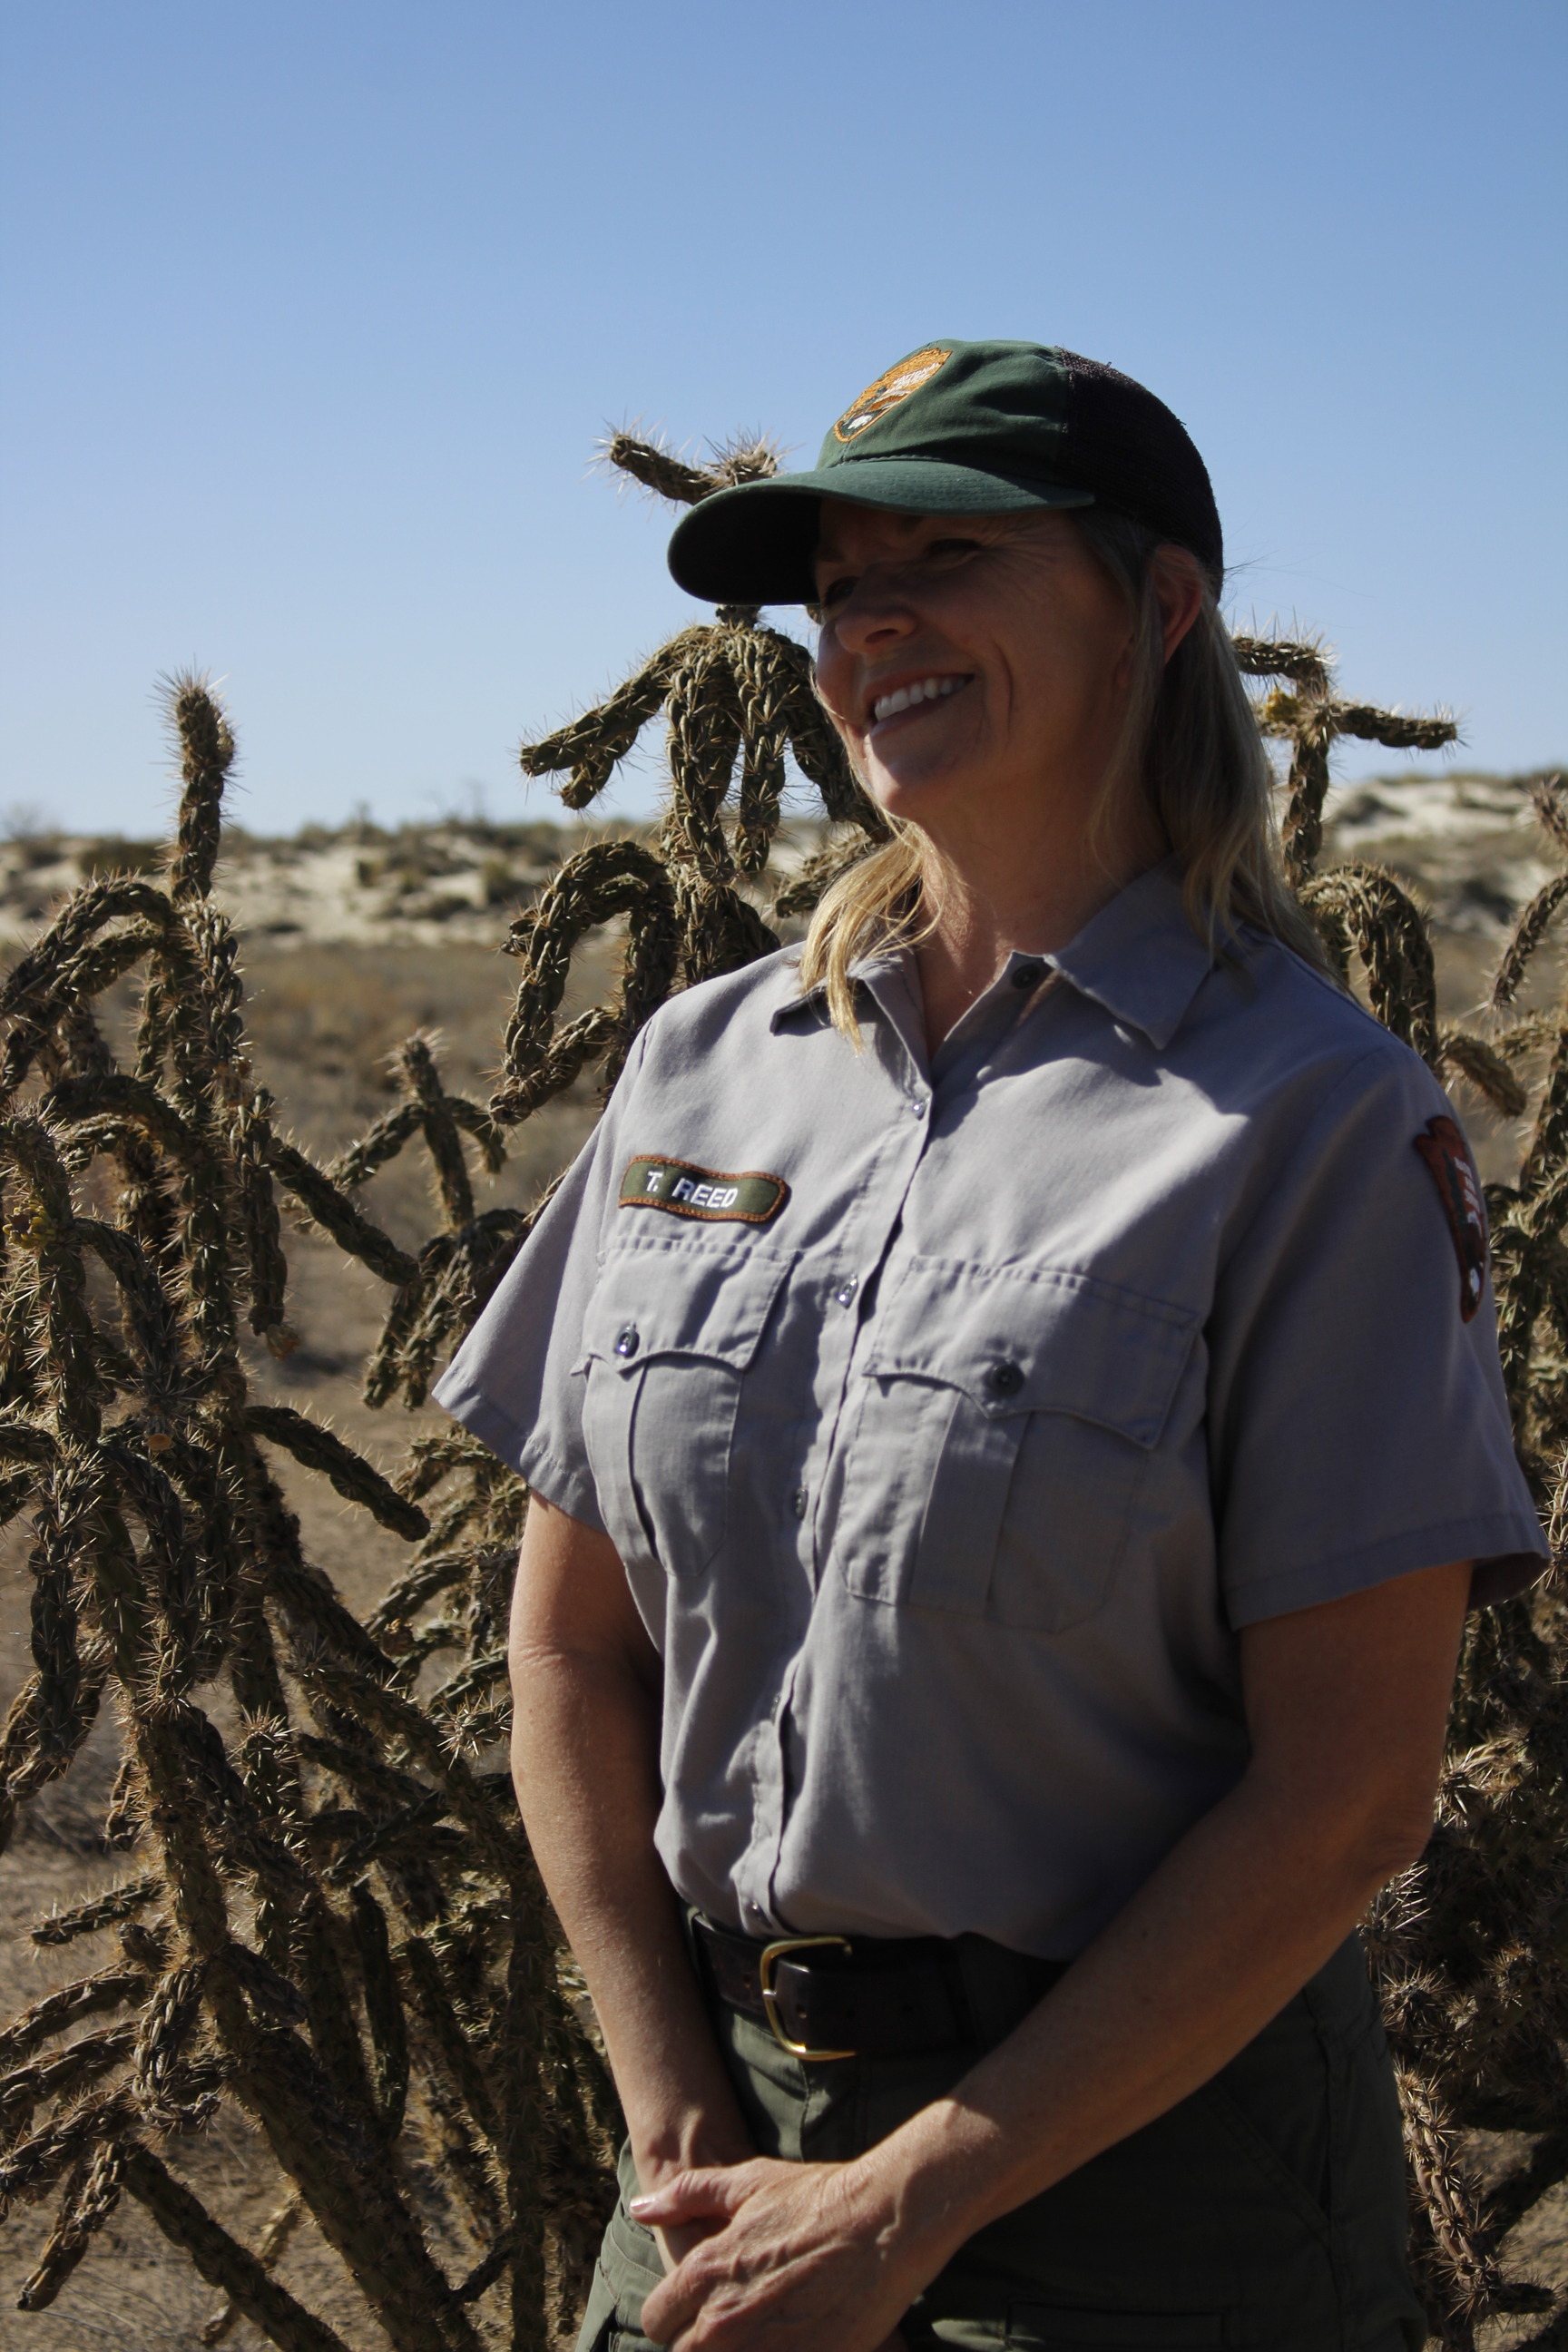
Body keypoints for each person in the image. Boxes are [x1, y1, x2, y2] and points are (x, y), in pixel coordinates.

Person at [434, 339, 1545, 2352]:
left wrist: (904, 2205)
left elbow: (1352, 1785)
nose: (875, 625)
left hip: (1148, 2175)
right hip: (718, 2122)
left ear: (1160, 603)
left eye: (947, 555)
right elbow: (569, 1637)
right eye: (841, 589)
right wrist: (670, 2101)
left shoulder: (1310, 1121)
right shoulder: (708, 1066)